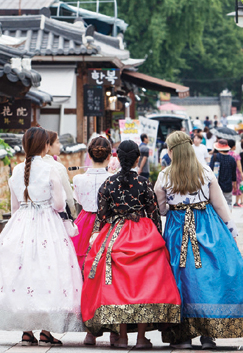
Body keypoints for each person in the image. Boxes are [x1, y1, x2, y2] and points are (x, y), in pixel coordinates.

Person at [0, 127, 83, 345]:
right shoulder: (50, 170)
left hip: (22, 224)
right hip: (48, 225)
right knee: (48, 273)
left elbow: (15, 206)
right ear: (45, 145)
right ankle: (46, 329)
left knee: (24, 273)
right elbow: (58, 204)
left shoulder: (17, 171)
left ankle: (27, 330)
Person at [154, 131, 243, 350]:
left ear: (171, 151)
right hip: (207, 227)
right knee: (208, 277)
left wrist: (175, 205)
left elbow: (161, 209)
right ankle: (208, 335)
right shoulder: (205, 172)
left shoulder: (164, 176)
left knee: (180, 277)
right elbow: (219, 205)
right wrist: (232, 230)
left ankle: (182, 336)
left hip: (177, 230)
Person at [81, 140, 181, 349]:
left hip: (115, 233)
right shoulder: (144, 183)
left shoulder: (108, 184)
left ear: (117, 158)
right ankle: (142, 338)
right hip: (142, 233)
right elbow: (154, 214)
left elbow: (102, 215)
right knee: (144, 284)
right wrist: (158, 238)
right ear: (137, 159)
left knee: (120, 285)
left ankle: (122, 336)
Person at [71, 136, 112, 270]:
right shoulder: (112, 179)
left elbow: (78, 199)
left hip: (84, 221)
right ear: (109, 156)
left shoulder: (78, 179)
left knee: (81, 260)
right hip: (107, 222)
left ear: (89, 155)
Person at [44, 131, 76, 216]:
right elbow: (67, 191)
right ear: (48, 146)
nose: (60, 145)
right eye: (57, 142)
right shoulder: (57, 166)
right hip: (57, 212)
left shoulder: (56, 160)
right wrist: (73, 212)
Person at [209, 139, 237, 210]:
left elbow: (210, 171)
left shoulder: (215, 157)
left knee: (216, 206)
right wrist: (234, 184)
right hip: (228, 186)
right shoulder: (232, 159)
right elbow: (234, 174)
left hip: (216, 186)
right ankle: (228, 219)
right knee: (228, 204)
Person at [228, 139, 243, 208]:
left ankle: (229, 202)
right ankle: (236, 202)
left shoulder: (227, 154)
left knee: (229, 187)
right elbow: (239, 165)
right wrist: (242, 174)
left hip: (229, 173)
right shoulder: (236, 155)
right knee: (237, 187)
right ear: (234, 146)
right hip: (236, 173)